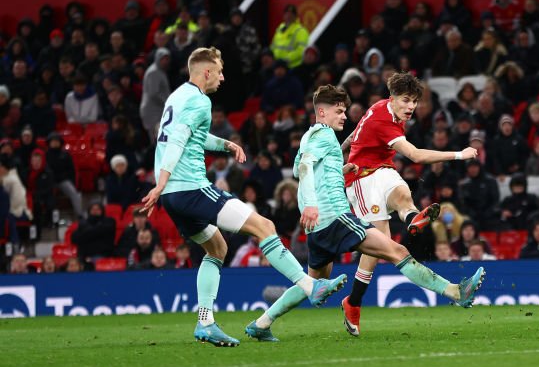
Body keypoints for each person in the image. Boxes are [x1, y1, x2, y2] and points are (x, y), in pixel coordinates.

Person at [139, 47, 346, 347]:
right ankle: (309, 285)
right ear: (206, 72)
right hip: (189, 187)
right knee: (264, 227)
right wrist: (160, 183)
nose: (223, 78)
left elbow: (186, 135)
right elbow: (179, 142)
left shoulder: (177, 97)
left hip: (175, 197)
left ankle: (205, 322)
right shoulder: (200, 101)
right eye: (220, 72)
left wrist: (226, 145)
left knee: (217, 248)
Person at [245, 86, 483, 341]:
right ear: (322, 112)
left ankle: (262, 322)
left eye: (345, 111)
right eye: (339, 111)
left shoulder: (309, 137)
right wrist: (312, 204)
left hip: (317, 229)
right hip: (336, 218)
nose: (345, 117)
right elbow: (303, 169)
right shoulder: (324, 136)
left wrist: (341, 170)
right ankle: (457, 292)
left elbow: (296, 168)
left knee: (310, 283)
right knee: (397, 251)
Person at [342, 73, 478, 336]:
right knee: (386, 248)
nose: (411, 106)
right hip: (360, 180)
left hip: (382, 169)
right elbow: (415, 155)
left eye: (415, 101)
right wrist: (460, 154)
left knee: (403, 193)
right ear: (392, 98)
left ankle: (412, 217)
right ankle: (353, 303)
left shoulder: (384, 109)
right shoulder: (385, 120)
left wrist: (340, 147)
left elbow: (354, 133)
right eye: (406, 100)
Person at [269, 4, 309, 69]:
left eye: (291, 14)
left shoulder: (301, 30)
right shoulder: (280, 27)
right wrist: (271, 58)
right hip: (277, 65)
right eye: (287, 13)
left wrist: (286, 59)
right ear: (284, 15)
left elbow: (301, 50)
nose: (288, 16)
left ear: (295, 16)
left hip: (292, 66)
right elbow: (273, 45)